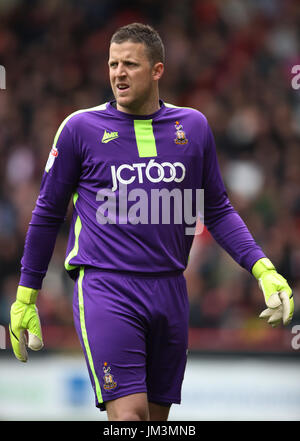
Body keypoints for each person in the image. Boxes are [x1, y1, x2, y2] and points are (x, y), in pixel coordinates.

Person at [9, 23, 294, 421]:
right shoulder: (79, 129)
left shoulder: (193, 127)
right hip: (106, 286)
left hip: (170, 289)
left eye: (130, 64)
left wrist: (263, 269)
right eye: (112, 64)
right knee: (130, 417)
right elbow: (46, 214)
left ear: (157, 70)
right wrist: (26, 294)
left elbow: (217, 208)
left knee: (156, 423)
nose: (118, 73)